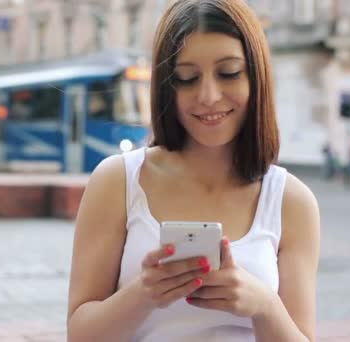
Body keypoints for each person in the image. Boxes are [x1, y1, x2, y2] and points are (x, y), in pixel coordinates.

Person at [67, 1, 320, 341]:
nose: (208, 96)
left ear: (256, 77)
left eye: (228, 73)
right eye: (187, 78)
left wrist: (264, 306)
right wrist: (144, 292)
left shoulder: (291, 200)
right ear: (167, 87)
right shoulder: (118, 181)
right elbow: (80, 335)